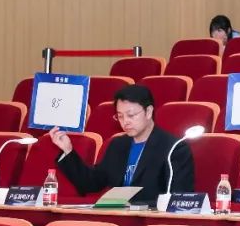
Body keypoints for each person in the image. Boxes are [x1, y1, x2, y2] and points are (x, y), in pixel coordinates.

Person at [50, 85, 194, 206]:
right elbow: (91, 183)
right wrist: (67, 150)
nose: (125, 122)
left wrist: (135, 206)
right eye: (120, 116)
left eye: (131, 115)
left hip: (150, 222)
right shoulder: (117, 145)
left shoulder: (174, 148)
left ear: (149, 111)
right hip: (116, 217)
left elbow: (178, 199)